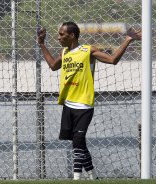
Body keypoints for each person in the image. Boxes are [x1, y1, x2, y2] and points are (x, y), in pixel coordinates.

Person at [37, 21, 141, 180]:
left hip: (84, 103)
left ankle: (76, 178)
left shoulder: (88, 50)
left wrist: (127, 39)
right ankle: (94, 177)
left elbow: (113, 59)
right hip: (68, 104)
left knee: (78, 140)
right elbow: (52, 65)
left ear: (72, 35)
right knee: (78, 143)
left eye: (61, 34)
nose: (58, 37)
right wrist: (42, 44)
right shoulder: (65, 53)